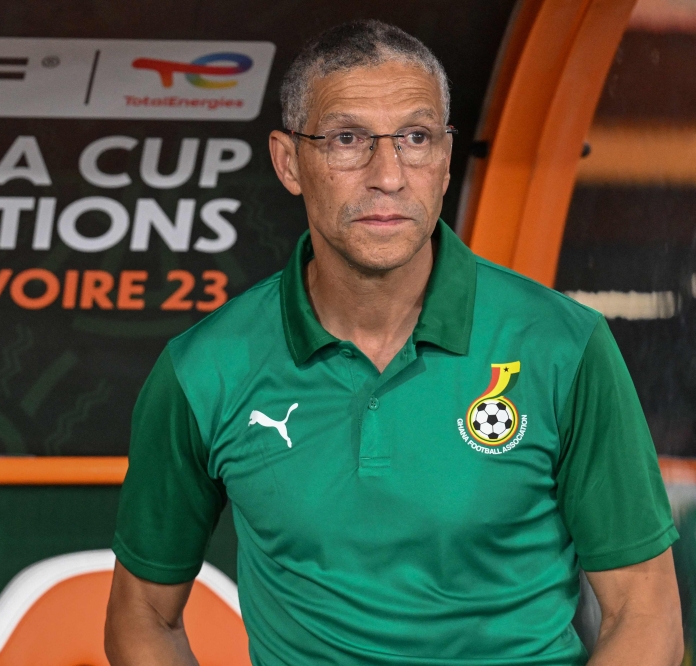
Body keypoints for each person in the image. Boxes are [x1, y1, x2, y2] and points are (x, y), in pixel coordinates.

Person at [104, 19, 683, 666]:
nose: (388, 175)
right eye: (348, 139)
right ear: (289, 161)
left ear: (443, 159)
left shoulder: (562, 345)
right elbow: (143, 616)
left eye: (415, 137)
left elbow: (645, 608)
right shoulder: (205, 367)